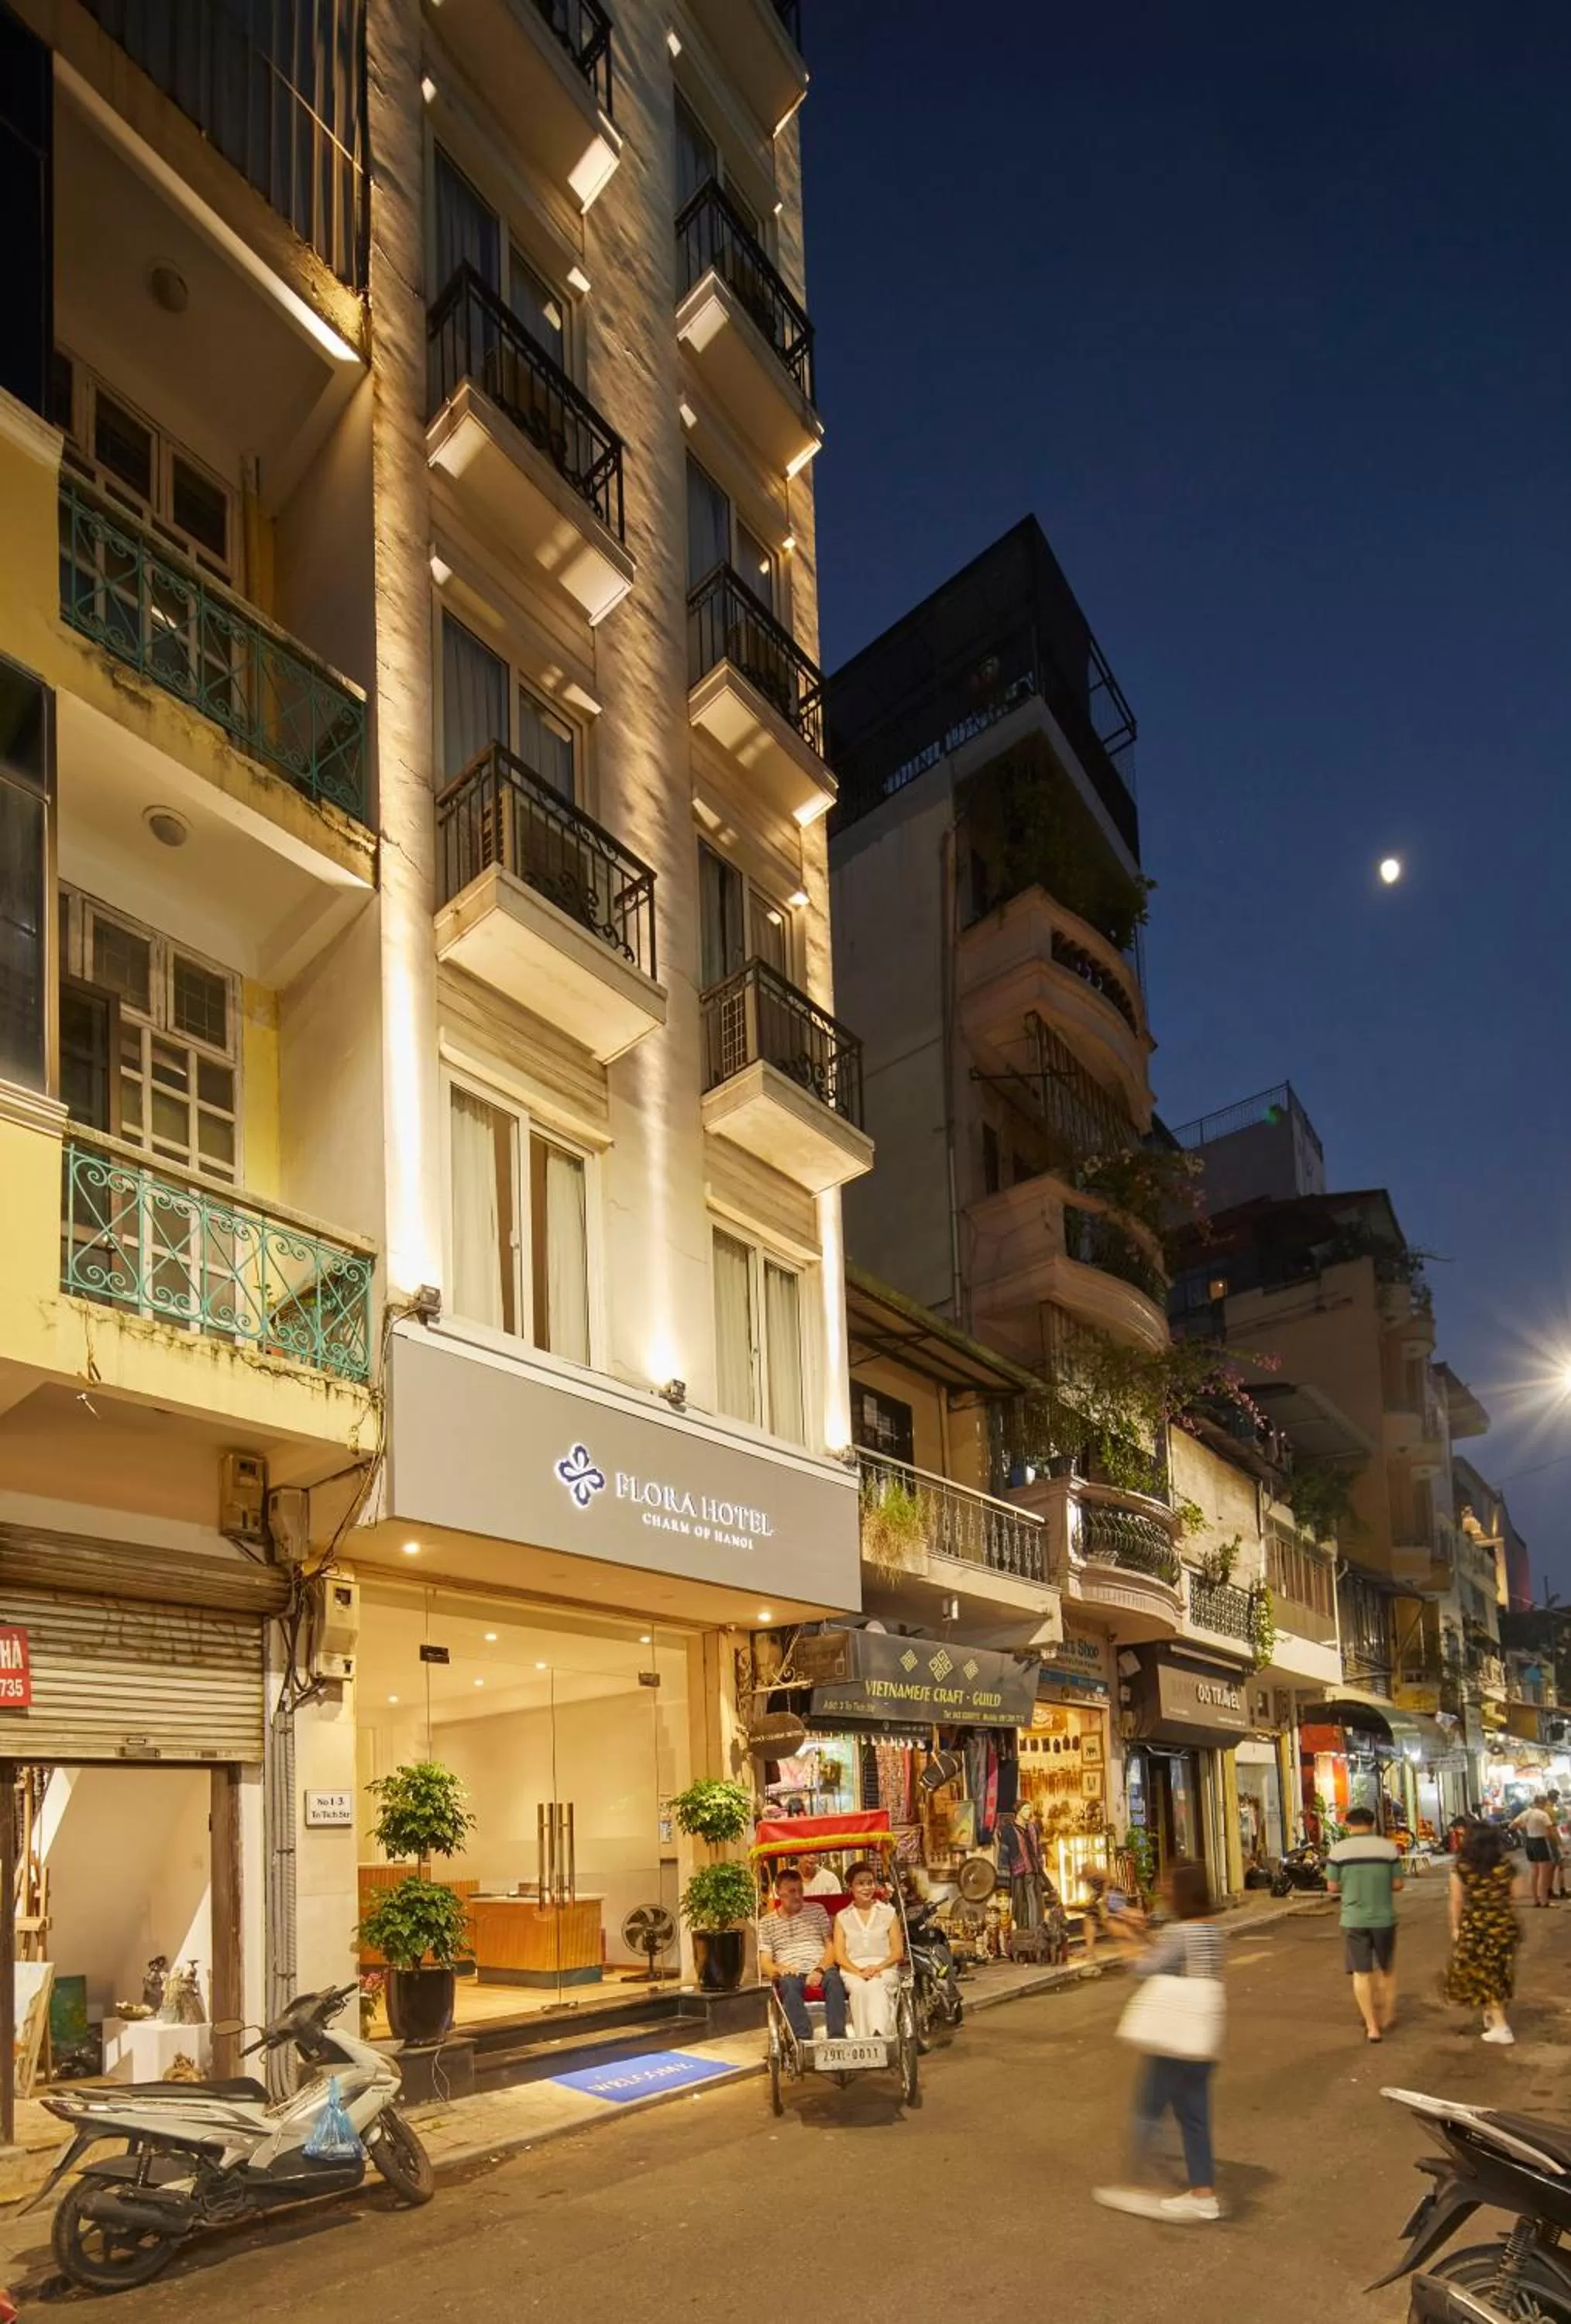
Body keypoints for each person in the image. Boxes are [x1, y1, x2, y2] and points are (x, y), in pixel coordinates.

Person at [1093, 1860, 1225, 2225]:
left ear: (1182, 1893)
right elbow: (1178, 1964)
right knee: (1193, 2115)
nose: (1163, 1887)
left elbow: (1145, 1970)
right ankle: (1203, 2194)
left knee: (1147, 2110)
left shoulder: (1180, 1933)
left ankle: (1136, 2184)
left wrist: (1121, 1936)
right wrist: (1145, 1933)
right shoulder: (1210, 1930)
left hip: (1174, 2037)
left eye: (1169, 1883)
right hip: (1201, 2034)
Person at [1325, 1804, 1403, 2042]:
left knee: (1361, 1972)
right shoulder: (1388, 1848)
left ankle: (1372, 2027)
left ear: (1349, 1826)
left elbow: (1332, 1887)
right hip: (1384, 1918)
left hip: (1354, 1919)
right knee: (1387, 1968)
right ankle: (1388, 2015)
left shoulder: (1338, 1851)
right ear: (1372, 1824)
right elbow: (1398, 1884)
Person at [1444, 1818, 1521, 2044]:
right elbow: (1517, 1894)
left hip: (1477, 1927)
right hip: (1504, 1925)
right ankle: (1492, 2013)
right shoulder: (1507, 1866)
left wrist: (1455, 1928)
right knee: (1500, 1972)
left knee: (1487, 1976)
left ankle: (1501, 2026)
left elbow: (1456, 1902)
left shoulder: (1462, 1868)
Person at [758, 1867, 847, 2042]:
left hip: (820, 1966)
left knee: (835, 1980)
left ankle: (838, 2038)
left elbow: (831, 1947)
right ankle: (803, 2040)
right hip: (791, 1971)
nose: (797, 1896)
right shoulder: (767, 1923)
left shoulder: (817, 1910)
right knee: (789, 1986)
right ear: (778, 1892)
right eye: (791, 1892)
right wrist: (779, 1969)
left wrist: (820, 1969)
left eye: (800, 1891)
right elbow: (765, 1962)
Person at [832, 1859, 905, 2038]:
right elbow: (839, 1956)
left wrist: (877, 1968)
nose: (866, 1888)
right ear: (851, 1887)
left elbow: (897, 1952)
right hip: (852, 1969)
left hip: (884, 1967)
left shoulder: (888, 1912)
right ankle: (864, 2041)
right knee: (859, 1989)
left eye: (870, 1883)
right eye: (860, 1884)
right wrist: (858, 1972)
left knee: (876, 1985)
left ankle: (881, 2036)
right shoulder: (842, 1917)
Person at [1509, 1795, 1556, 1908]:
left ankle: (1535, 1900)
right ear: (1542, 1803)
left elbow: (1512, 1826)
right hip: (1540, 1842)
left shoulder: (1526, 1813)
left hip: (1529, 1842)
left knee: (1534, 1872)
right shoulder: (1543, 1814)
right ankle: (1544, 1901)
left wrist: (1524, 1829)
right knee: (1543, 1874)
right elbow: (1551, 1831)